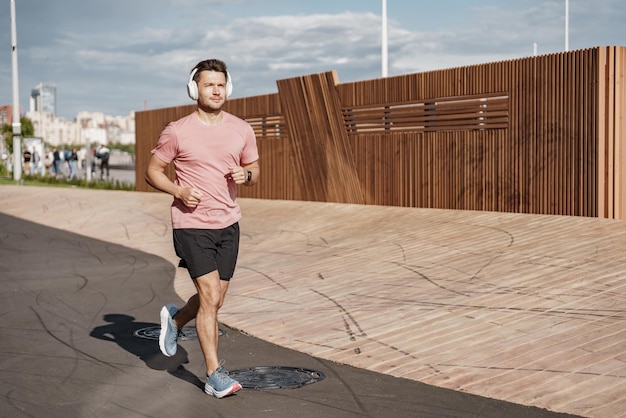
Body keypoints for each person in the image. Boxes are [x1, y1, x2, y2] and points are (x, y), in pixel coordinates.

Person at [145, 58, 259, 399]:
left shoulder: (241, 129)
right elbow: (153, 170)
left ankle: (176, 320)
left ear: (229, 88)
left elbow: (254, 169)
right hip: (192, 225)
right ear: (195, 89)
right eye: (209, 84)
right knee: (209, 297)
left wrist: (247, 176)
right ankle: (214, 375)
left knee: (216, 299)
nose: (216, 90)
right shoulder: (177, 130)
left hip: (228, 224)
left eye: (221, 84)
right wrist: (179, 191)